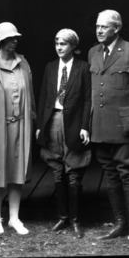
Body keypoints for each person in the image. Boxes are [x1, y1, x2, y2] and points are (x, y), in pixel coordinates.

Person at [88, 9, 129, 250]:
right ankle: (120, 223)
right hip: (100, 125)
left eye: (104, 27)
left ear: (117, 28)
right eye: (97, 26)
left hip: (126, 124)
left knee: (127, 174)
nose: (99, 30)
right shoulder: (93, 52)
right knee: (110, 173)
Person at [0, 22, 36, 235]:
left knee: (17, 171)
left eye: (16, 38)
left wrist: (33, 120)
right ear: (1, 41)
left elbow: (29, 94)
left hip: (20, 125)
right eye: (10, 38)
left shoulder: (24, 63)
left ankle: (14, 217)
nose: (15, 41)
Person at [35, 29, 92, 239]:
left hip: (74, 123)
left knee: (74, 171)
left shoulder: (83, 68)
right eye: (57, 43)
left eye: (64, 44)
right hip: (53, 121)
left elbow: (88, 99)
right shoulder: (50, 68)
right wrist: (41, 124)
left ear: (74, 47)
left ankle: (76, 220)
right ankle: (62, 217)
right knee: (57, 170)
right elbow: (43, 96)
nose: (59, 47)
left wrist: (85, 126)